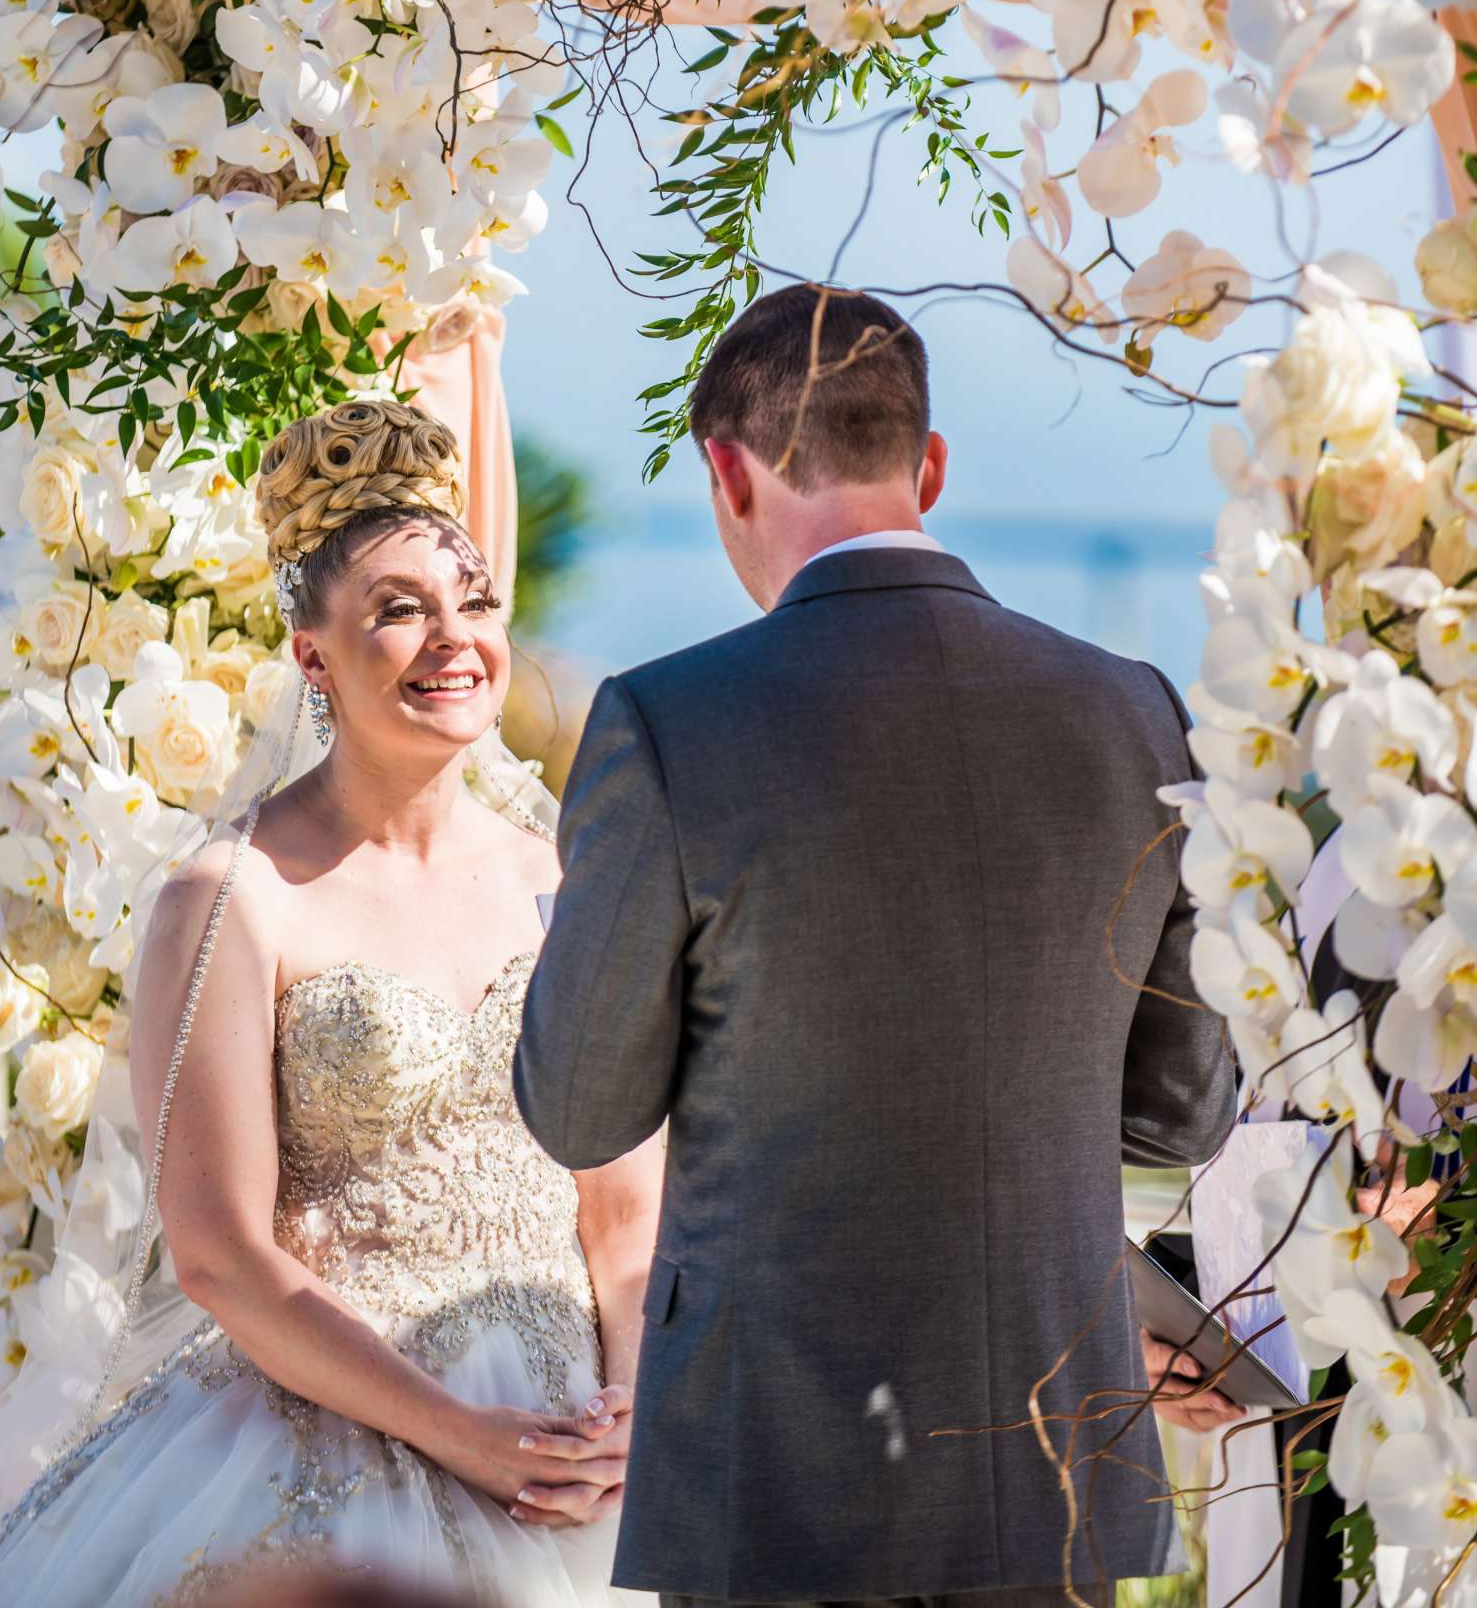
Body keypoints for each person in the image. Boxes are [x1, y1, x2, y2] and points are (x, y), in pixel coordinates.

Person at [516, 282, 1238, 1608]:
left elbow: (579, 1107)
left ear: (727, 473)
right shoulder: (1135, 712)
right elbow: (1181, 1109)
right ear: (932, 465)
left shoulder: (664, 724)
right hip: (1056, 1463)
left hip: (775, 1467)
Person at [0, 398, 662, 1605]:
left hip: (581, 1445)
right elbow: (221, 1256)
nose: (453, 640)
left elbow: (626, 1220)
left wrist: (635, 1414)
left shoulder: (566, 879)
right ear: (310, 655)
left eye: (471, 603)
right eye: (397, 611)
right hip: (329, 1433)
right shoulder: (231, 896)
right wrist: (458, 1434)